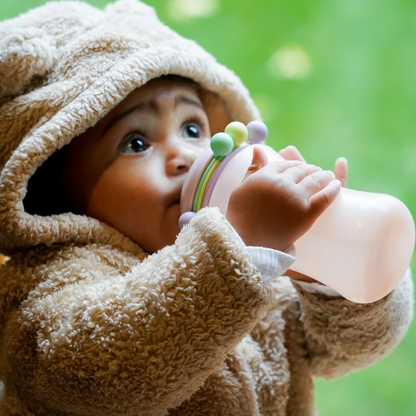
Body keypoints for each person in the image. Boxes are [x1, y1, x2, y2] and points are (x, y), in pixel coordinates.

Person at [0, 1, 412, 415]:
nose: (186, 154)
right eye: (136, 143)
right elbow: (95, 373)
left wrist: (326, 273)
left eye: (193, 127)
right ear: (53, 192)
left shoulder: (261, 265)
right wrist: (237, 251)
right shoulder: (49, 288)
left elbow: (347, 350)